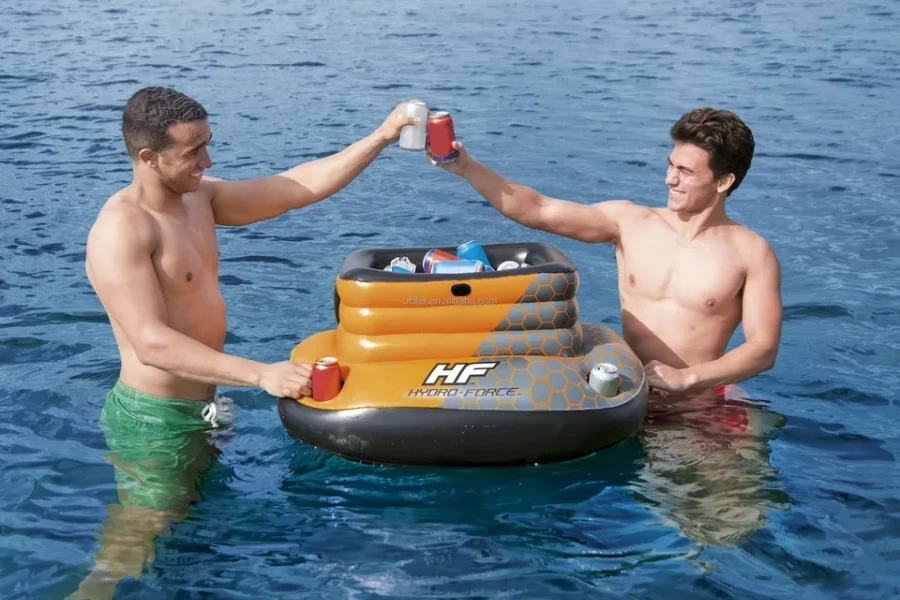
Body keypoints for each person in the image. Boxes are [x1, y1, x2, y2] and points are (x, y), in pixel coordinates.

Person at [70, 87, 419, 599]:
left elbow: (298, 186)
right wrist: (261, 373)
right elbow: (151, 343)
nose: (207, 162)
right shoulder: (122, 229)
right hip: (154, 421)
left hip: (204, 408)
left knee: (185, 534)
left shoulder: (199, 197)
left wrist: (382, 136)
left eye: (207, 145)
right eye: (192, 152)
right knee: (129, 550)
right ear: (148, 157)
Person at [428, 107, 782, 394]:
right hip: (628, 391)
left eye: (686, 172)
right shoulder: (630, 222)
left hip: (701, 400)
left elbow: (763, 349)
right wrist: (467, 168)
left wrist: (688, 378)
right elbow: (536, 209)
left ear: (723, 181)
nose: (669, 180)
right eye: (671, 165)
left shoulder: (751, 253)